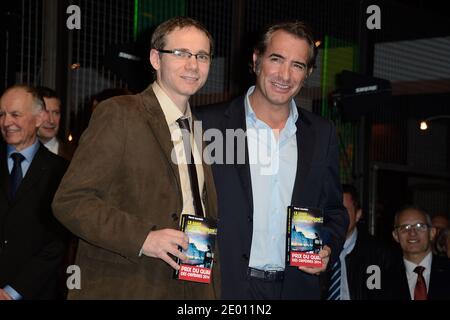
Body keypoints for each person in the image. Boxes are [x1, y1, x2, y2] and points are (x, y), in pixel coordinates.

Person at [52, 16, 220, 299]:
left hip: (192, 287)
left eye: (201, 56)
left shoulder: (197, 129)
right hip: (128, 285)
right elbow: (70, 202)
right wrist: (144, 238)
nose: (193, 65)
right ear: (156, 58)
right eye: (180, 53)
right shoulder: (120, 113)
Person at [196, 21, 348, 299]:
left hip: (296, 288)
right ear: (256, 60)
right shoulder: (207, 125)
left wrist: (326, 246)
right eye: (276, 59)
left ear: (308, 73)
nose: (285, 75)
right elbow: (186, 202)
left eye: (298, 65)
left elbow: (335, 211)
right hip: (223, 288)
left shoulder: (322, 133)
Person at [0, 85, 68, 300]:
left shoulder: (61, 171)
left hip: (35, 292)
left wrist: (12, 293)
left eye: (15, 115)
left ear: (39, 119)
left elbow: (58, 241)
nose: (6, 122)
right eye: (2, 114)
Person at [324, 184, 394, 300]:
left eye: (344, 211)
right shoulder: (316, 247)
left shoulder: (376, 253)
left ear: (358, 214)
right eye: (333, 211)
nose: (337, 217)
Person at [384, 206, 450, 299]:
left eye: (420, 226)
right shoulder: (383, 277)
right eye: (405, 227)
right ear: (395, 236)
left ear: (432, 232)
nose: (412, 233)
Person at [36, 86, 75, 161]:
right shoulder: (17, 153)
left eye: (56, 113)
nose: (51, 120)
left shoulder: (75, 155)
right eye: (45, 113)